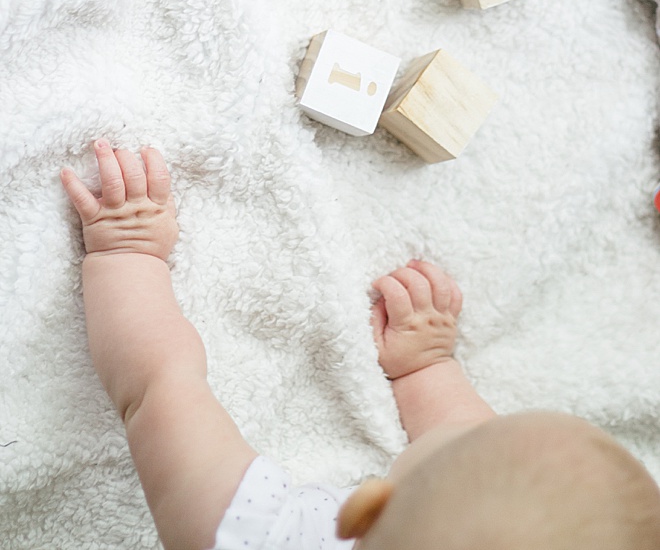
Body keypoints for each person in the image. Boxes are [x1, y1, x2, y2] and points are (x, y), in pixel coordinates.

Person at [61, 141, 660, 550]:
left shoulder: (262, 534)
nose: (468, 419)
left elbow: (158, 386)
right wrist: (425, 367)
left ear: (364, 511)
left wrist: (127, 252)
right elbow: (464, 448)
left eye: (468, 433)